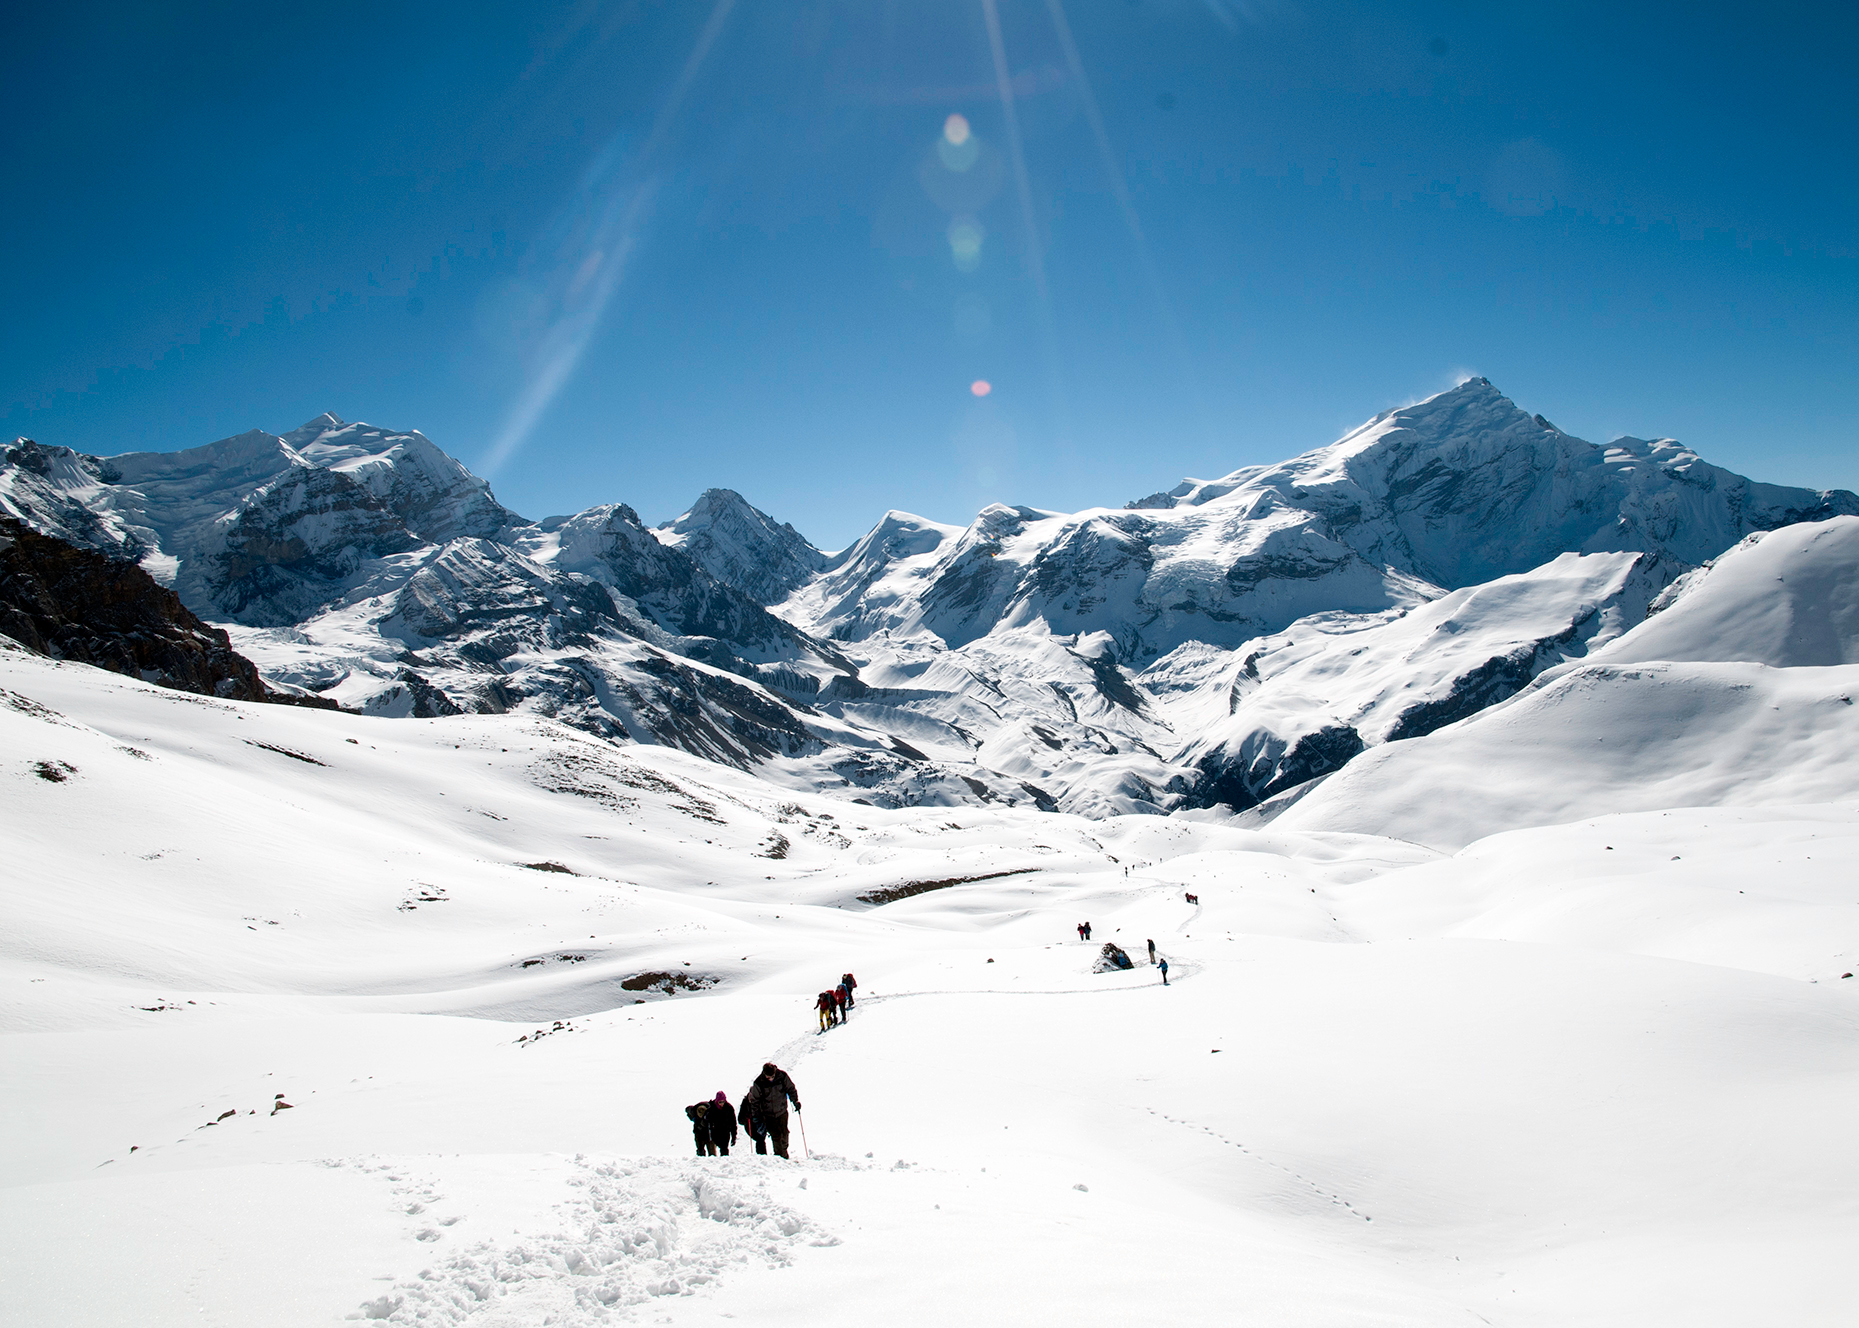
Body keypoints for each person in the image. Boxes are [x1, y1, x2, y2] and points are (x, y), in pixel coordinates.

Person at [742, 1062, 801, 1158]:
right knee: (776, 1135)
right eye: (768, 1077)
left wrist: (795, 1101)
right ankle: (780, 1157)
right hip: (768, 1114)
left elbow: (791, 1089)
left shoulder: (782, 1076)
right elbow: (755, 1101)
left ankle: (784, 1151)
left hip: (782, 1111)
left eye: (772, 1076)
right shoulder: (759, 1082)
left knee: (784, 1133)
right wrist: (756, 1116)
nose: (770, 1079)